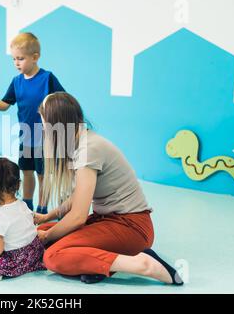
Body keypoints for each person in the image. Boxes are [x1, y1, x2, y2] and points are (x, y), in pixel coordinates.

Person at [35, 92, 184, 285]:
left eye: (45, 125)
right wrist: (47, 219)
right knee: (45, 230)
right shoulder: (81, 142)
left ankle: (144, 264)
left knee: (53, 255)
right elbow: (78, 196)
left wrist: (46, 237)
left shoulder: (88, 149)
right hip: (109, 221)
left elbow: (78, 217)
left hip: (131, 227)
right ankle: (99, 264)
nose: (44, 131)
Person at [0, 32, 65, 214]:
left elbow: (63, 101)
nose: (16, 63)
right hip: (26, 136)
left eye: (20, 58)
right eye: (14, 59)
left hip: (45, 138)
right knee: (26, 171)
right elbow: (5, 105)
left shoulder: (47, 78)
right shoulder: (17, 82)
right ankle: (27, 205)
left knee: (43, 175)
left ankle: (42, 208)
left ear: (35, 57)